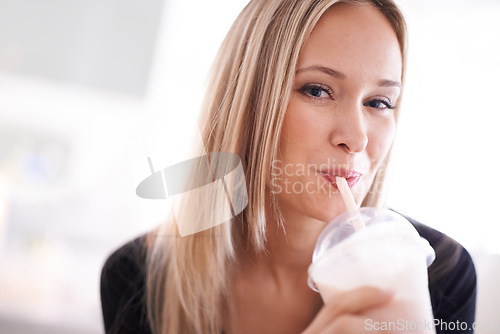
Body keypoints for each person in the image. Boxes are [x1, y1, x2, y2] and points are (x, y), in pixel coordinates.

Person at [100, 0, 477, 333]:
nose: (357, 138)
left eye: (379, 102)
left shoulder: (438, 275)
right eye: (317, 90)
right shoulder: (138, 278)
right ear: (247, 106)